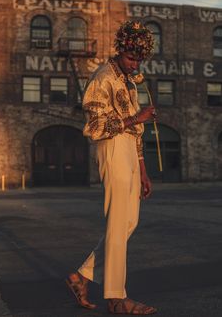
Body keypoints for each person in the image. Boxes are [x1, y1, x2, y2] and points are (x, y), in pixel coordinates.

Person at [66, 20, 157, 315]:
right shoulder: (102, 77)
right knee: (118, 223)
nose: (134, 65)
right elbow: (94, 127)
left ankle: (82, 276)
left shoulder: (128, 82)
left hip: (130, 150)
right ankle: (116, 299)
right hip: (112, 147)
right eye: (131, 58)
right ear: (119, 51)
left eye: (138, 60)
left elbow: (136, 131)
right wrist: (136, 119)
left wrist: (143, 170)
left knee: (128, 223)